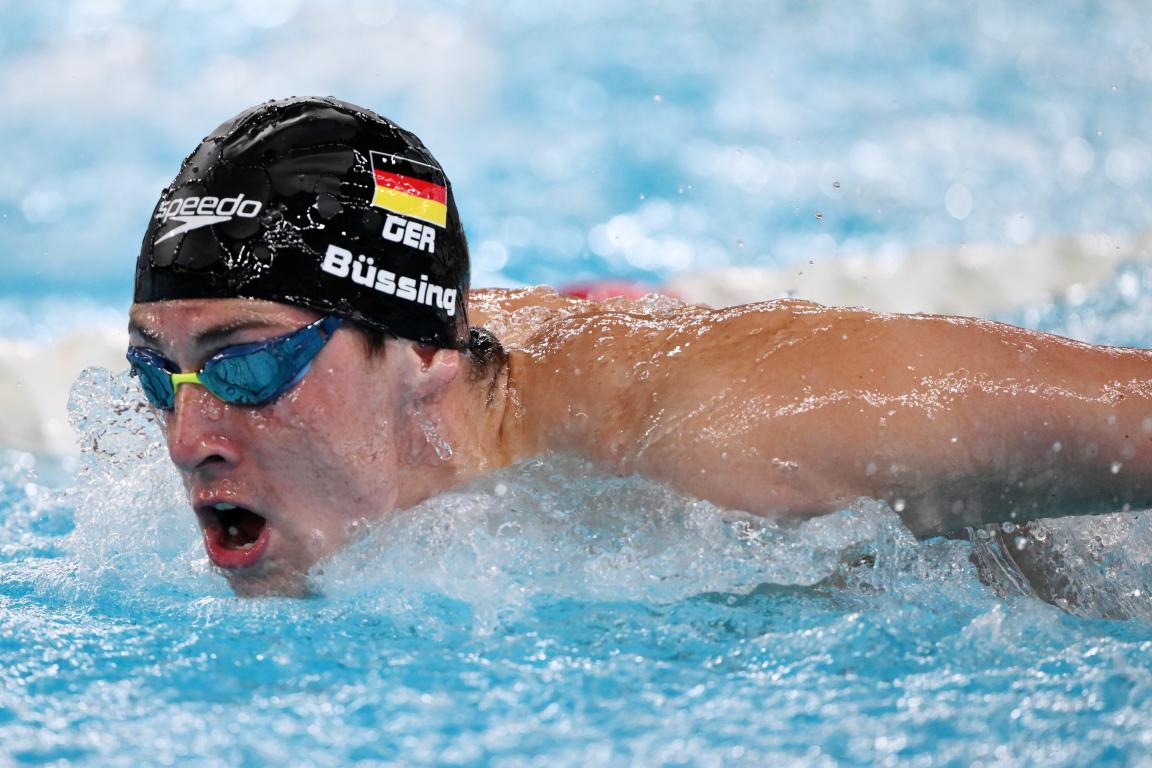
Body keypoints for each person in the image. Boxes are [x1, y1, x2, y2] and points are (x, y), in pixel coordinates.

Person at [128, 96, 1152, 596]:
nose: (185, 436)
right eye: (157, 370)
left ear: (424, 349)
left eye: (247, 365)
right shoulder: (331, 434)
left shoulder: (732, 430)